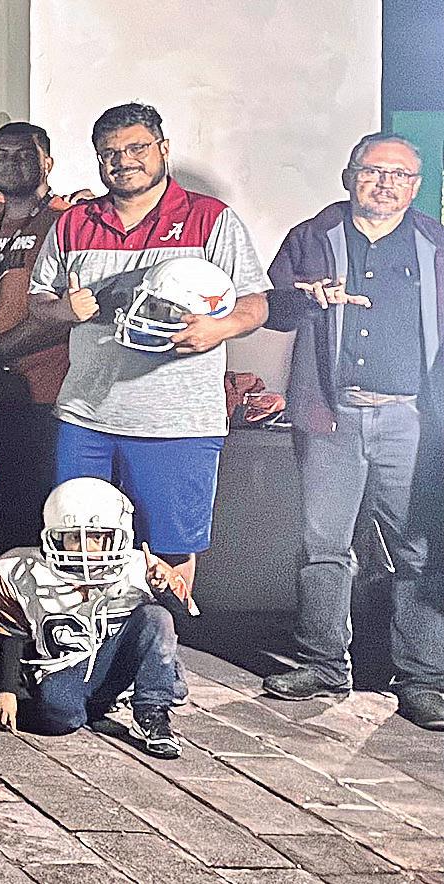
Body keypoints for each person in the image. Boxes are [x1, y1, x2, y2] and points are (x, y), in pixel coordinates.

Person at [34, 103, 270, 590]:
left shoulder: (210, 218)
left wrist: (219, 328)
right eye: (110, 153)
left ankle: (161, 639)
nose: (124, 160)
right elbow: (38, 302)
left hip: (177, 423)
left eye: (137, 147)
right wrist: (64, 310)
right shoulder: (74, 222)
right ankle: (90, 640)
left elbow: (255, 302)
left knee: (170, 554)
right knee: (75, 548)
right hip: (86, 416)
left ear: (163, 148)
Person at [261, 133, 444, 728]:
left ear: (416, 187)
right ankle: (322, 665)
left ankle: (423, 680)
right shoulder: (313, 236)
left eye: (400, 175)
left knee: (420, 552)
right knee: (324, 546)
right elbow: (271, 308)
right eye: (374, 171)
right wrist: (304, 298)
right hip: (331, 414)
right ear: (349, 175)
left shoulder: (435, 243)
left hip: (412, 421)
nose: (386, 183)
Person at [0, 478, 190, 759]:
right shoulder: (20, 571)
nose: (85, 548)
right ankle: (82, 708)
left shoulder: (142, 568)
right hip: (61, 672)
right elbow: (11, 636)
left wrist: (162, 591)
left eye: (96, 537)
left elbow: (181, 619)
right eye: (74, 537)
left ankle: (152, 713)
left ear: (116, 537)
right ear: (55, 536)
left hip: (113, 668)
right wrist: (8, 690)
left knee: (156, 616)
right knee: (61, 718)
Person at [0, 121, 75, 560]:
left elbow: (68, 312)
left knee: (34, 512)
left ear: (48, 162)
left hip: (42, 393)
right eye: (2, 155)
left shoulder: (66, 222)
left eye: (25, 154)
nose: (12, 163)